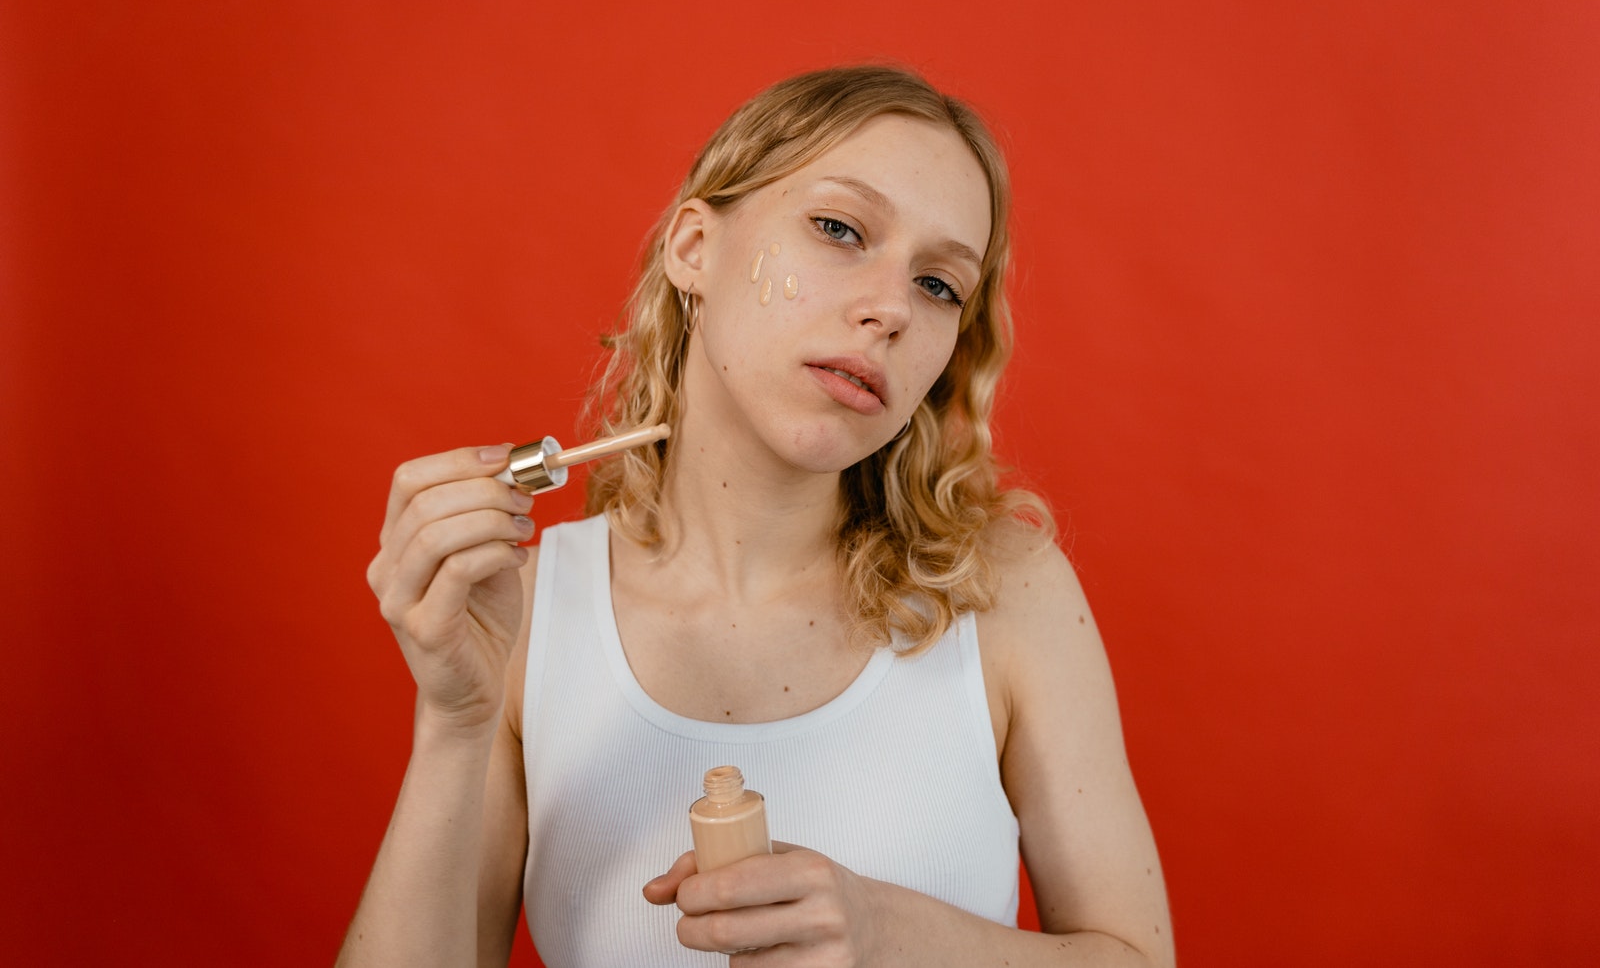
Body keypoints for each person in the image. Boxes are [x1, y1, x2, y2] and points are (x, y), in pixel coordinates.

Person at [338, 65, 1173, 967]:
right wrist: (452, 723)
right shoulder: (528, 617)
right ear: (696, 246)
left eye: (939, 286)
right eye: (840, 229)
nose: (890, 308)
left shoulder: (1004, 592)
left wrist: (888, 932)